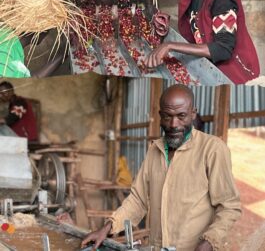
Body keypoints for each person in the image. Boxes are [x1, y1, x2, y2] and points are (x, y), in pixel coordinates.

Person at [81, 84, 241, 251]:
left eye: (181, 116)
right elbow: (138, 200)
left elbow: (229, 206)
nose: (173, 124)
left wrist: (209, 241)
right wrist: (106, 229)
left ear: (193, 113)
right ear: (160, 115)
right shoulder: (154, 150)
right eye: (167, 116)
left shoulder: (213, 149)